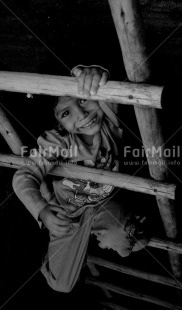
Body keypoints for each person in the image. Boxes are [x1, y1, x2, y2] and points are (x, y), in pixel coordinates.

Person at [12, 65, 149, 293]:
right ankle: (76, 245)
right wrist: (42, 210)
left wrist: (91, 73)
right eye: (66, 112)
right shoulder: (59, 141)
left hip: (103, 205)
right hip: (68, 213)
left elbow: (104, 83)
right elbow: (23, 175)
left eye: (83, 99)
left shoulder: (110, 123)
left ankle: (104, 234)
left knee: (130, 244)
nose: (82, 114)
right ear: (58, 124)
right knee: (62, 285)